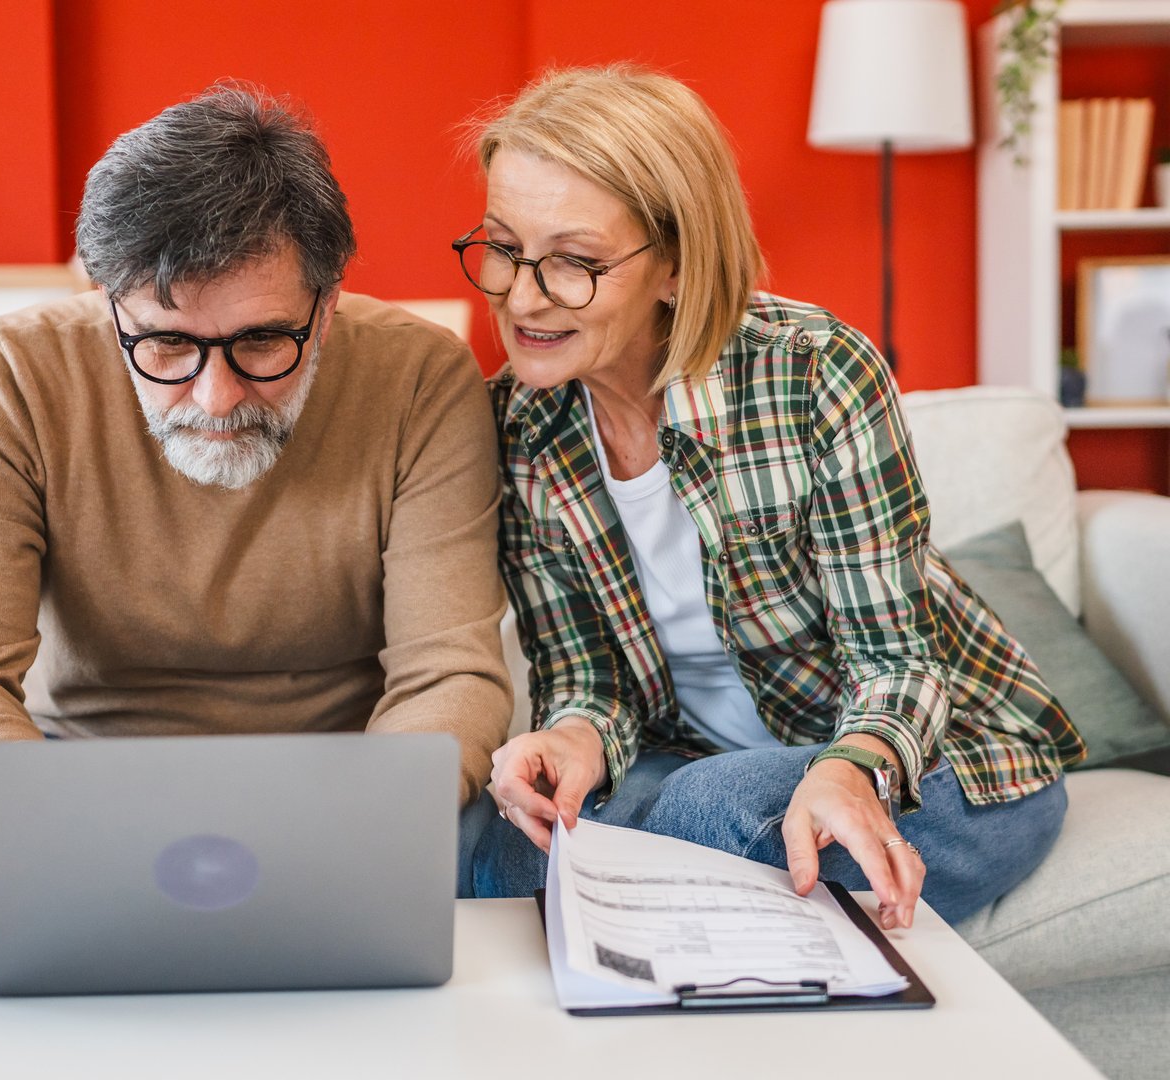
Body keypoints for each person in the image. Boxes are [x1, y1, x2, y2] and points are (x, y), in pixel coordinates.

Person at [465, 66, 1085, 926]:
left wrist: (847, 769)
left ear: (676, 266)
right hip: (705, 757)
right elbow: (587, 678)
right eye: (502, 246)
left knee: (707, 813)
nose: (524, 295)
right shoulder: (519, 428)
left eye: (574, 261)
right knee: (506, 848)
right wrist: (569, 738)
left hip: (937, 758)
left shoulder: (813, 372)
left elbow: (896, 663)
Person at [0, 84, 514, 894]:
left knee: (488, 828)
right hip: (80, 778)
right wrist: (76, 825)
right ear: (107, 304)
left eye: (261, 341)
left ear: (327, 307)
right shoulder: (7, 374)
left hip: (349, 778)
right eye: (167, 344)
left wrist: (357, 819)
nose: (216, 398)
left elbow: (448, 677)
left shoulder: (420, 378)